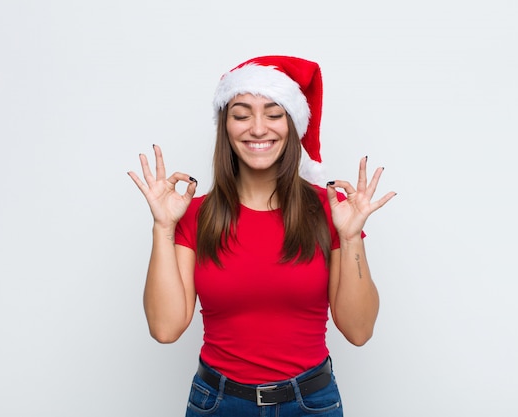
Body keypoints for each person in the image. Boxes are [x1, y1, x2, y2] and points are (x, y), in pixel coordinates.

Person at [128, 55, 396, 417]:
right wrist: (163, 227)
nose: (257, 128)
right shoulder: (194, 214)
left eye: (273, 114)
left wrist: (349, 239)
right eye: (241, 115)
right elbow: (165, 328)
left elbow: (359, 331)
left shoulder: (332, 211)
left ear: (292, 125)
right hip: (218, 404)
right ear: (226, 126)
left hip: (311, 403)